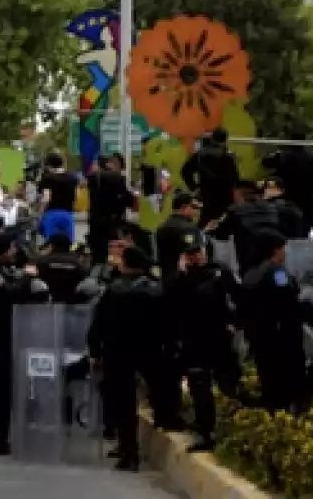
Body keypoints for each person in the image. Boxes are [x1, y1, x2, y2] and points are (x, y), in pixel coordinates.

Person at [88, 245, 166, 472]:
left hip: (118, 352)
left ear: (125, 264)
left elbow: (98, 324)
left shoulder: (114, 290)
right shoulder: (155, 290)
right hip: (149, 350)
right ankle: (164, 418)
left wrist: (95, 351)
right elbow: (166, 322)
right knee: (158, 390)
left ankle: (128, 452)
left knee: (123, 402)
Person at [169, 233, 240, 452]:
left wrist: (234, 324)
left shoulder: (219, 274)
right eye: (191, 254)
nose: (196, 257)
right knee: (200, 389)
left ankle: (237, 434)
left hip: (219, 341)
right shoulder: (182, 280)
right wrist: (180, 274)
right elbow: (172, 307)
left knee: (230, 386)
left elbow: (238, 300)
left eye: (198, 252)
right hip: (194, 343)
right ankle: (206, 433)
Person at [0, 231, 46, 455]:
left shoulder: (3, 270)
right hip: (1, 333)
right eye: (10, 248)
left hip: (14, 331)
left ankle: (8, 435)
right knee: (4, 385)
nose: (14, 252)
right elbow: (8, 294)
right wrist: (26, 278)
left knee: (13, 385)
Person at [239, 232, 306, 412]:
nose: (285, 253)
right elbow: (288, 294)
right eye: (283, 249)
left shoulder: (251, 273)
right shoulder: (277, 272)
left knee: (269, 378)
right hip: (282, 336)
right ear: (275, 250)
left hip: (261, 336)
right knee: (287, 379)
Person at [182, 128, 241, 226]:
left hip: (206, 194)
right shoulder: (228, 157)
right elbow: (235, 179)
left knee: (205, 221)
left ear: (212, 139)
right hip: (224, 196)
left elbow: (185, 171)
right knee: (223, 223)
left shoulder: (199, 154)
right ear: (226, 140)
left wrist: (194, 187)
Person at [155, 192, 205, 277]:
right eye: (194, 207)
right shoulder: (189, 228)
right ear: (183, 208)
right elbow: (197, 258)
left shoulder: (161, 227)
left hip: (167, 281)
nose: (196, 212)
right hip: (188, 282)